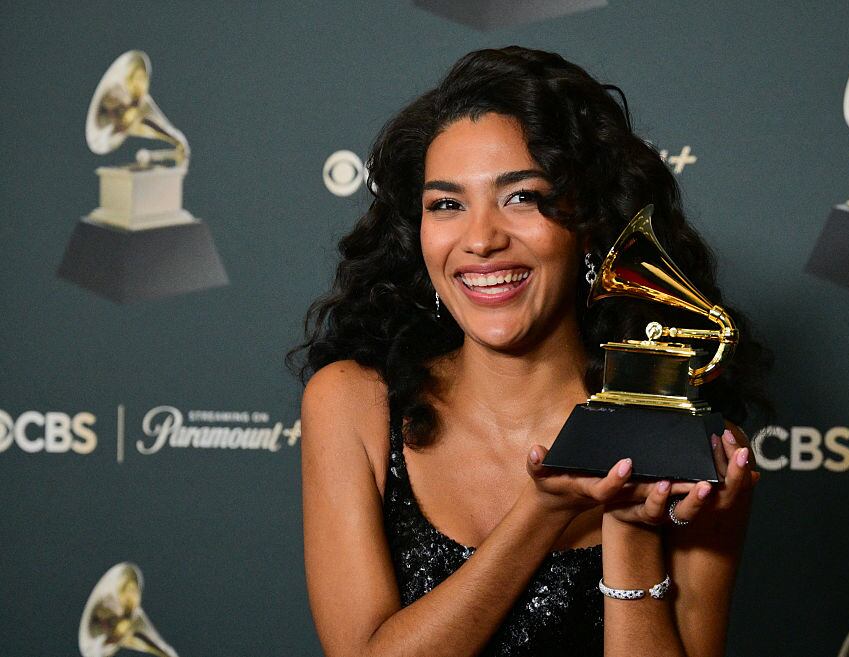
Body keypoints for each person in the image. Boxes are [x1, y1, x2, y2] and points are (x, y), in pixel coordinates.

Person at [291, 46, 771, 657]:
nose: (481, 240)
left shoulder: (686, 442)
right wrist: (541, 513)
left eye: (521, 197)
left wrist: (631, 529)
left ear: (588, 223)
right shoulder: (354, 404)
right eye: (446, 204)